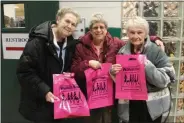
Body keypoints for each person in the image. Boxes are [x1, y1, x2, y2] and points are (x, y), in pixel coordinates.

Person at [71, 14, 164, 123]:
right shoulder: (80, 46)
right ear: (90, 30)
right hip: (90, 95)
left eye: (102, 27)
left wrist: (154, 39)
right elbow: (74, 70)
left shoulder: (115, 43)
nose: (99, 30)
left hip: (111, 94)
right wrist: (88, 63)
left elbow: (134, 41)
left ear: (106, 29)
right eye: (95, 27)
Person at [16, 8, 81, 123]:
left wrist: (68, 73)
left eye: (73, 24)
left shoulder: (71, 44)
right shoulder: (37, 43)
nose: (69, 26)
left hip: (59, 103)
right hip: (39, 104)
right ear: (58, 19)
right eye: (67, 21)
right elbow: (24, 72)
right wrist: (44, 91)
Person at [110, 16, 175, 123]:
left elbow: (167, 78)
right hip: (131, 106)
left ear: (146, 33)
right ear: (127, 33)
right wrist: (112, 72)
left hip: (153, 108)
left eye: (139, 32)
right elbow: (121, 82)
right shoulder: (122, 52)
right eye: (132, 32)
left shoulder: (156, 50)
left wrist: (147, 65)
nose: (136, 36)